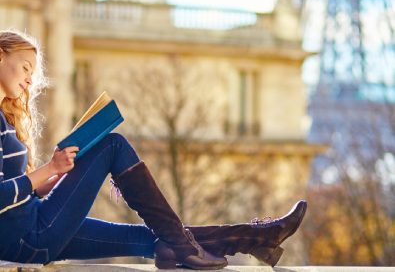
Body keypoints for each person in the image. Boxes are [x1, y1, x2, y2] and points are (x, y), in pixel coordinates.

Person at [0, 29, 307, 269]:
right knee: (112, 145)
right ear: (2, 55)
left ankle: (256, 238)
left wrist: (52, 181)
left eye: (32, 73)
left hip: (32, 226)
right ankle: (190, 244)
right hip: (28, 237)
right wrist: (50, 168)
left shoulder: (4, 117)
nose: (29, 80)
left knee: (151, 239)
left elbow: (14, 195)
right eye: (26, 68)